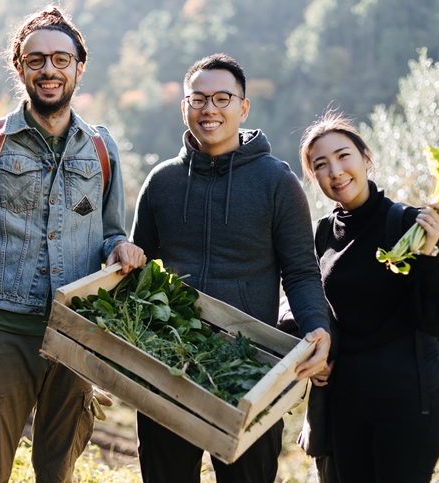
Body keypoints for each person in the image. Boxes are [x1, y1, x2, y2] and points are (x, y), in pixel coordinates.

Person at [0, 7, 144, 482]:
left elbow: (110, 231)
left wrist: (121, 248)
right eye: (35, 59)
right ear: (19, 68)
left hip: (75, 340)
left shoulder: (101, 147)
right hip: (2, 338)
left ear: (80, 67)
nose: (49, 70)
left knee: (57, 471)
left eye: (62, 59)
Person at [130, 53, 332, 483]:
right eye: (199, 98)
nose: (210, 109)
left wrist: (317, 326)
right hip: (170, 362)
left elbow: (300, 271)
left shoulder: (277, 183)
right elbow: (136, 268)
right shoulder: (161, 182)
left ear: (243, 107)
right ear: (184, 106)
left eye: (223, 98)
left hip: (250, 368)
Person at [298, 111, 439, 483]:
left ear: (365, 158)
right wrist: (321, 353)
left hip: (408, 401)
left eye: (344, 156)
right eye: (320, 165)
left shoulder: (408, 224)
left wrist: (430, 255)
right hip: (347, 403)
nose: (335, 172)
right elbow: (321, 309)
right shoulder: (324, 233)